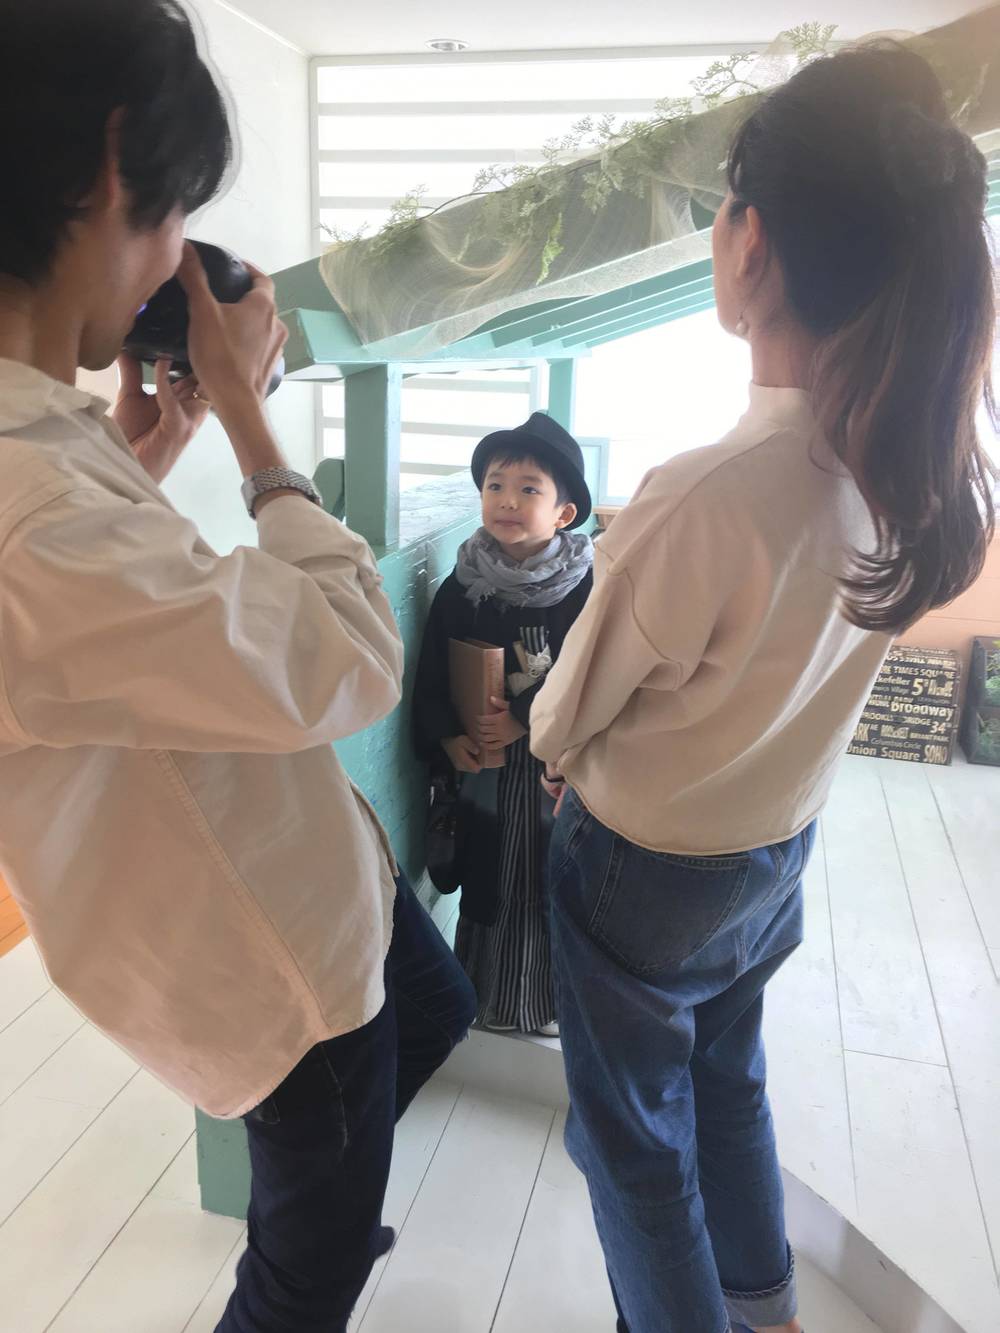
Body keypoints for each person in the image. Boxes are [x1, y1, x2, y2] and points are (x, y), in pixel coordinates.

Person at [0, 3, 475, 1330]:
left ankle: (325, 1208)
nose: (172, 256)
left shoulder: (47, 452)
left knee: (435, 1007)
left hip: (313, 890)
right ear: (111, 168)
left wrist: (142, 455)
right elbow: (355, 657)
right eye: (173, 216)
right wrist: (259, 433)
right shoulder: (37, 506)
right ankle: (316, 1239)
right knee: (298, 1288)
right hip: (276, 973)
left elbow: (84, 632)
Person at [530, 40, 996, 1333]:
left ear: (750, 245)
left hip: (640, 868)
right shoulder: (899, 476)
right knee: (727, 1086)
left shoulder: (703, 493)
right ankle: (769, 1312)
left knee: (630, 1141)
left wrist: (553, 745)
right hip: (771, 856)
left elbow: (566, 710)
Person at [413, 414, 594, 1035]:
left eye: (528, 489)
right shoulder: (463, 586)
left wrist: (524, 719)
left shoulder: (586, 589)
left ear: (564, 513)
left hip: (552, 766)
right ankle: (484, 998)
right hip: (484, 769)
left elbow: (589, 672)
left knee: (550, 876)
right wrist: (447, 737)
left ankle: (543, 1004)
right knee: (489, 876)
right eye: (495, 486)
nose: (507, 500)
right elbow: (433, 671)